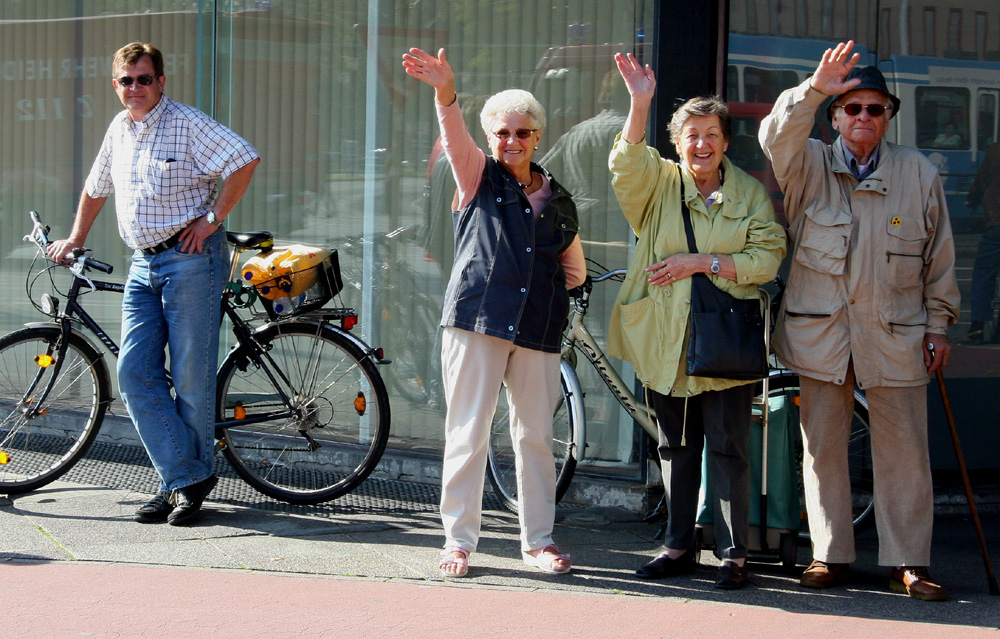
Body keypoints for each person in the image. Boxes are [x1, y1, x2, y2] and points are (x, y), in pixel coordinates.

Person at [758, 41, 959, 601]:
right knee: (822, 450)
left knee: (905, 455)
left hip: (896, 333)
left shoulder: (918, 171)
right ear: (835, 117)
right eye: (852, 108)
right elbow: (775, 135)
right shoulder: (808, 164)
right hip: (821, 335)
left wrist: (939, 325)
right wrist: (815, 88)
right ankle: (830, 554)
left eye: (875, 108)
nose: (863, 117)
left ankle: (908, 561)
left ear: (889, 115)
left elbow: (938, 257)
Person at [47, 42, 260, 526]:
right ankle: (186, 476)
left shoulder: (186, 123)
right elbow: (96, 186)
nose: (135, 89)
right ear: (115, 84)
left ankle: (181, 486)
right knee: (134, 373)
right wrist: (76, 237)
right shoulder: (119, 129)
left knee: (189, 377)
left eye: (144, 79)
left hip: (190, 259)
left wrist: (213, 217)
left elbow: (244, 158)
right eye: (126, 80)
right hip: (142, 264)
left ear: (161, 82)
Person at [402, 47, 586, 578]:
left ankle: (538, 543)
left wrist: (552, 296)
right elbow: (453, 134)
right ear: (489, 138)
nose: (512, 141)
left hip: (536, 329)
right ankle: (458, 541)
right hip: (477, 320)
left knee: (535, 437)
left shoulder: (560, 199)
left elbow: (572, 270)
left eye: (522, 132)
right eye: (502, 132)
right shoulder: (476, 175)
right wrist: (445, 92)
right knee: (469, 431)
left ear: (537, 136)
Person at [607, 52, 786, 590]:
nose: (702, 144)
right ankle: (678, 545)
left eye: (711, 134)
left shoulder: (750, 194)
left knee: (729, 447)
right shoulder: (657, 185)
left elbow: (769, 258)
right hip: (666, 340)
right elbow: (625, 164)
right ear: (678, 144)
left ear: (726, 142)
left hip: (725, 342)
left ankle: (733, 554)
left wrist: (703, 262)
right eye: (691, 135)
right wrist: (639, 104)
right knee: (676, 447)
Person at [962, 140, 1000, 344]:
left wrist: (972, 200)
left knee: (984, 275)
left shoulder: (995, 150)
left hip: (996, 223)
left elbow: (981, 181)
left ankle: (977, 328)